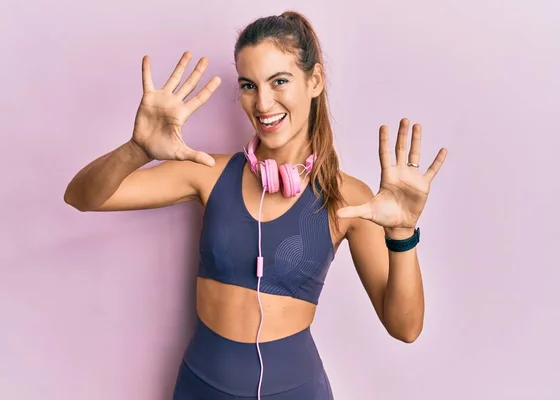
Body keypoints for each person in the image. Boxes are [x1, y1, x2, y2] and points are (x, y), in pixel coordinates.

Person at [64, 10, 447, 400]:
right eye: (249, 85)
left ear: (314, 81)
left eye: (280, 81)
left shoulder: (348, 199)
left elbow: (406, 327)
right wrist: (136, 150)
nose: (263, 103)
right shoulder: (207, 172)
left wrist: (402, 233)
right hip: (200, 388)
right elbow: (82, 197)